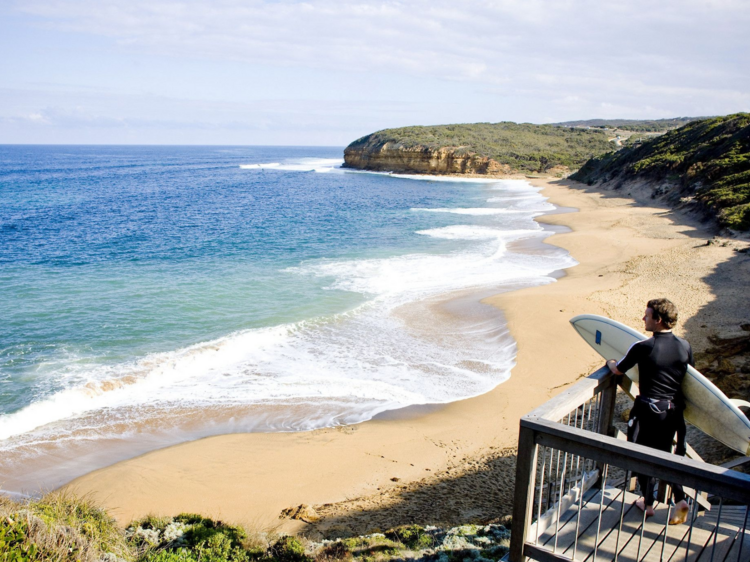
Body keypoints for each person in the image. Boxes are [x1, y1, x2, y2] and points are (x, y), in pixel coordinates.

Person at [606, 298, 693, 525]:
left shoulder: (643, 347)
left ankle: (648, 502)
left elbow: (618, 369)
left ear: (659, 320)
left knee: (642, 454)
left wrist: (609, 361)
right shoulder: (685, 346)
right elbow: (692, 380)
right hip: (672, 412)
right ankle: (680, 499)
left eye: (647, 315)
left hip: (647, 411)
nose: (643, 318)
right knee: (665, 454)